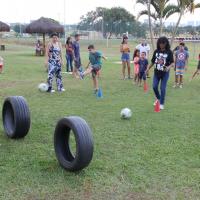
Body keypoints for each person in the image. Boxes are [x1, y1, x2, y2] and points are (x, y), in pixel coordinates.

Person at [146, 37, 174, 110]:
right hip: (156, 72)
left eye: (163, 43)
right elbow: (153, 61)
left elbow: (172, 62)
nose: (161, 45)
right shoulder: (156, 51)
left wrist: (168, 67)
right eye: (160, 43)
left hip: (165, 73)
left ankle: (161, 103)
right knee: (154, 86)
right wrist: (148, 68)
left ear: (166, 43)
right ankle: (158, 98)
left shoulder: (169, 52)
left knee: (162, 88)